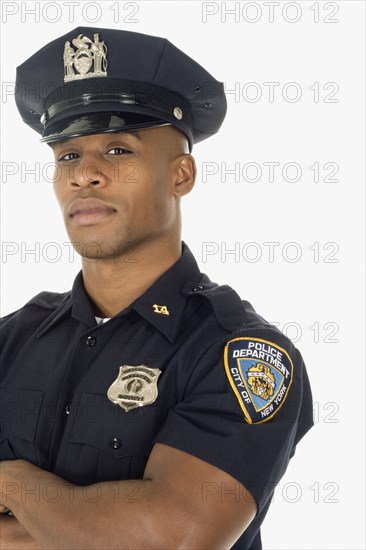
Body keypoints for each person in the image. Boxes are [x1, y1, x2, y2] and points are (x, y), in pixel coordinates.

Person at [0, 26, 313, 549]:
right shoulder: (11, 341)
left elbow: (175, 537)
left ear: (181, 175)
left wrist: (13, 481)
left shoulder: (239, 353)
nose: (86, 175)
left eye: (118, 150)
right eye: (68, 155)